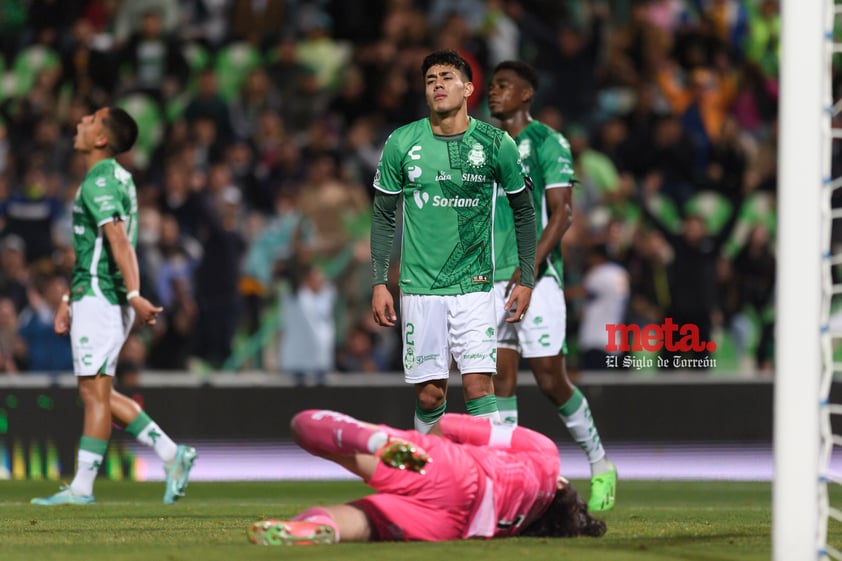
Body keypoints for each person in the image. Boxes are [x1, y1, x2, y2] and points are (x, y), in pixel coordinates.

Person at [31, 106, 197, 505]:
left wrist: (134, 294)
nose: (79, 124)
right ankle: (172, 455)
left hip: (104, 297)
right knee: (100, 392)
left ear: (102, 139)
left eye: (89, 121)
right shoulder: (115, 177)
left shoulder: (99, 180)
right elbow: (97, 249)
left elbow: (119, 240)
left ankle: (82, 488)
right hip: (98, 294)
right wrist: (69, 298)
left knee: (93, 394)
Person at [370, 49, 537, 433]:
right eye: (431, 80)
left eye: (446, 77)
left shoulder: (496, 144)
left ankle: (496, 485)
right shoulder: (402, 142)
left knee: (479, 385)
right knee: (430, 395)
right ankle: (428, 484)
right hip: (420, 287)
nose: (438, 85)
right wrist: (379, 282)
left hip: (474, 286)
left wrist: (526, 279)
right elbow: (382, 214)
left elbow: (524, 212)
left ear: (468, 88)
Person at [487, 60, 616, 512]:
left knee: (548, 379)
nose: (493, 93)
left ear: (526, 94)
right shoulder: (481, 146)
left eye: (503, 86)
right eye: (491, 86)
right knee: (496, 378)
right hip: (490, 278)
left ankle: (600, 464)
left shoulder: (547, 141)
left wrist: (527, 266)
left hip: (536, 277)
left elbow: (562, 213)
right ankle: (509, 482)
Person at [247, 409, 607, 544]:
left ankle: (375, 440)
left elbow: (450, 424)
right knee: (364, 522)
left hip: (452, 470)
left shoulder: (547, 456)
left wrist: (427, 445)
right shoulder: (518, 524)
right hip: (452, 525)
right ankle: (317, 529)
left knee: (305, 425)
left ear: (562, 485)